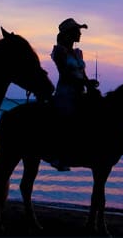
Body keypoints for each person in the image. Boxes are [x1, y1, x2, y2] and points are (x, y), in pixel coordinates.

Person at [48, 18, 100, 171]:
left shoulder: (78, 53)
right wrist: (83, 83)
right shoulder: (59, 51)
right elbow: (65, 74)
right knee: (68, 118)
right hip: (66, 92)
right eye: (77, 31)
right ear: (68, 34)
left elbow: (82, 74)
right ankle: (60, 155)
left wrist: (88, 83)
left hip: (80, 91)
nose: (79, 34)